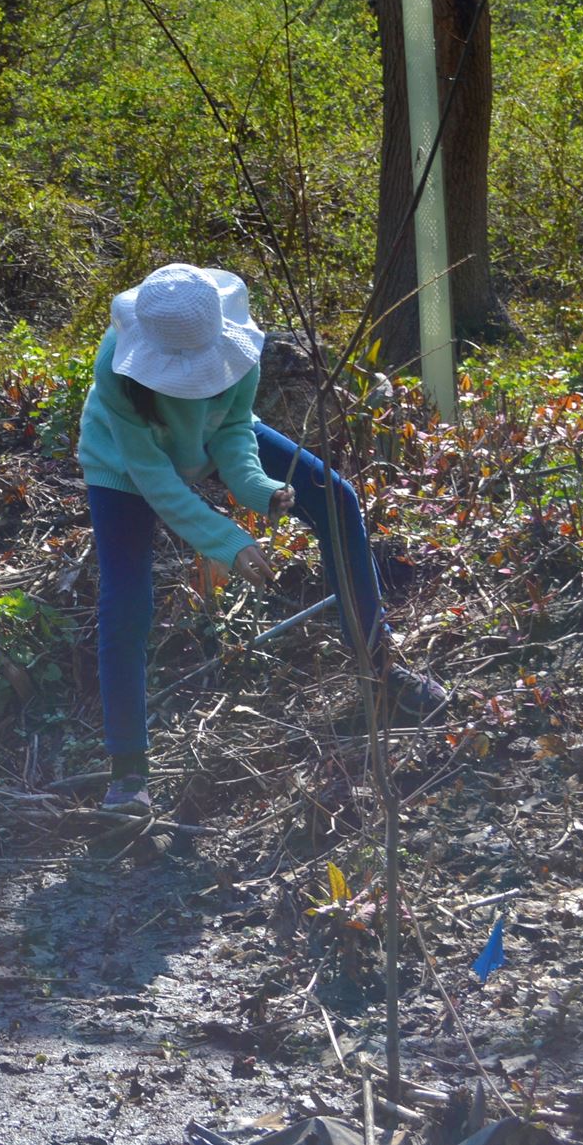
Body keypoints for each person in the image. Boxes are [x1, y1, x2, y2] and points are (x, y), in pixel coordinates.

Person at [78, 262, 449, 810]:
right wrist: (227, 541)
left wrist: (263, 491)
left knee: (337, 500)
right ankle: (128, 772)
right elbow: (153, 476)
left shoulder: (235, 344)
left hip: (208, 441)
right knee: (126, 601)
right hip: (125, 467)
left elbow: (231, 430)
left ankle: (381, 669)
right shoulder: (117, 366)